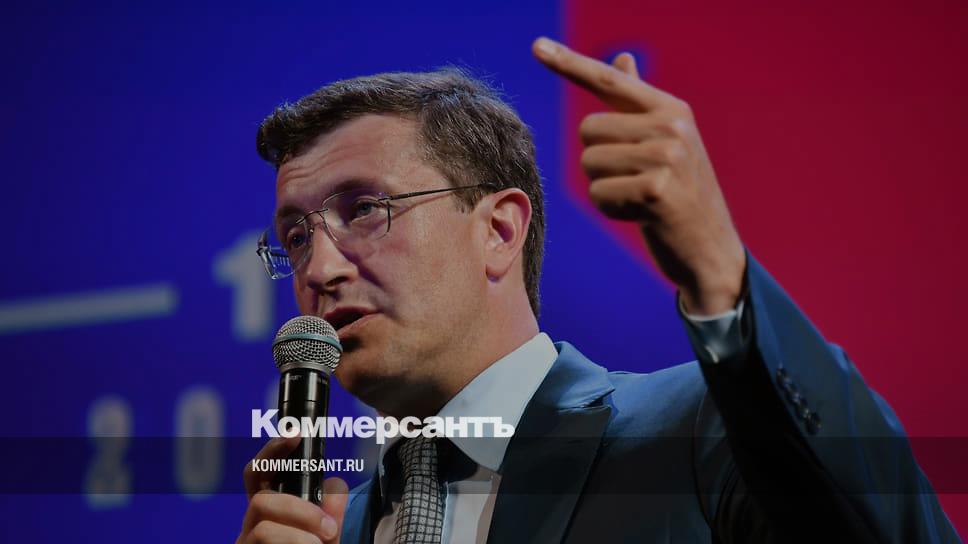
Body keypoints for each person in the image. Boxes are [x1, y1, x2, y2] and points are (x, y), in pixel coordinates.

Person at [237, 37, 958, 543]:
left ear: (499, 230)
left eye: (365, 208)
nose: (319, 269)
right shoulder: (329, 528)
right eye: (296, 236)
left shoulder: (697, 430)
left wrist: (719, 266)